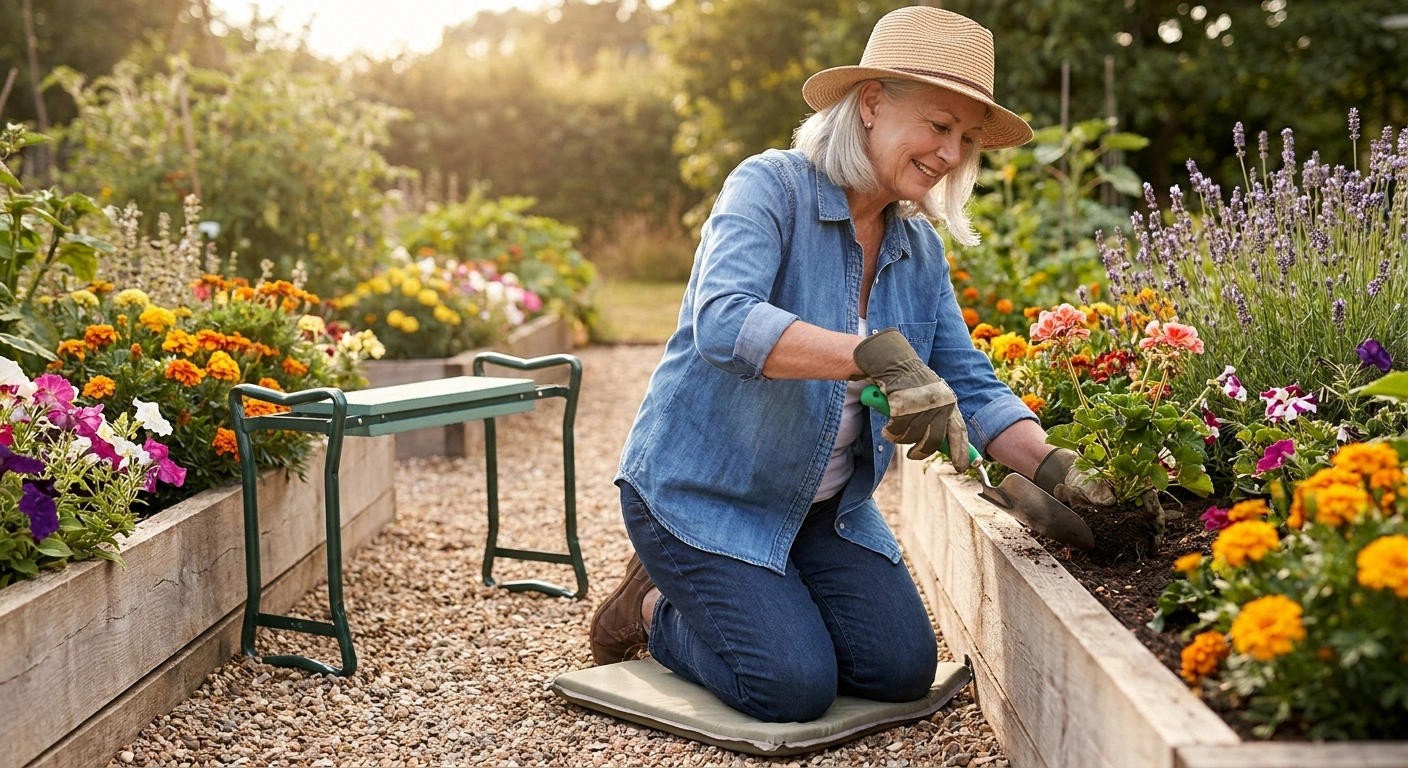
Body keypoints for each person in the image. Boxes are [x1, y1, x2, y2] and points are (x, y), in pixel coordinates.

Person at [592, 6, 1112, 723]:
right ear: (870, 104)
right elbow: (724, 320)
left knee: (896, 670)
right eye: (938, 124)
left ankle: (764, 593)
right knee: (790, 687)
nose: (952, 153)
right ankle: (648, 606)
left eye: (965, 137)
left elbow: (966, 380)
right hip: (703, 495)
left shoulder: (917, 247)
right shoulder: (770, 187)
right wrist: (878, 360)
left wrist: (1062, 471)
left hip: (823, 510)